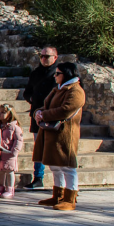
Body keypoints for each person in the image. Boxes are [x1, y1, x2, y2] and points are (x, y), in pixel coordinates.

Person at [33, 62, 85, 211]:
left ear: (66, 75)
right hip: (52, 133)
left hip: (65, 134)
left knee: (67, 166)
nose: (55, 76)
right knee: (55, 165)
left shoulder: (76, 91)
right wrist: (39, 112)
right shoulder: (58, 89)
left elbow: (66, 110)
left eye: (58, 74)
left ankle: (70, 198)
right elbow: (47, 105)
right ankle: (57, 195)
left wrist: (45, 115)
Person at [22, 46, 59, 190]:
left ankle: (59, 182)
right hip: (37, 115)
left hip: (52, 116)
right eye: (42, 56)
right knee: (39, 147)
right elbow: (27, 92)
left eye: (47, 56)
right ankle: (38, 177)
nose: (44, 59)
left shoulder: (58, 74)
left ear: (55, 57)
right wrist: (33, 100)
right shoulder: (36, 73)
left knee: (53, 148)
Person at [0, 104, 24, 199]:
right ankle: (0, 188)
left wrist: (14, 152)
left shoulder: (14, 127)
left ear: (10, 114)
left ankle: (10, 189)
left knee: (9, 171)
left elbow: (19, 140)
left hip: (9, 154)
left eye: (3, 112)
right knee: (1, 171)